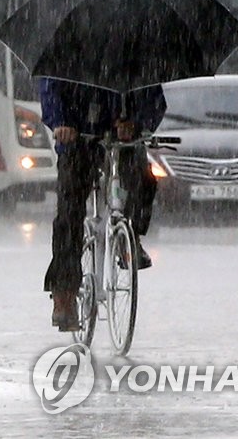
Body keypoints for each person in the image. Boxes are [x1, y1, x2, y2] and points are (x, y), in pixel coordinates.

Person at [40, 78, 167, 330]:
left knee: (143, 179)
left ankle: (130, 237)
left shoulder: (135, 53)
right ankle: (64, 294)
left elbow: (153, 98)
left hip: (122, 140)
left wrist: (137, 123)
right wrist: (62, 123)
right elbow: (50, 90)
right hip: (78, 139)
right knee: (69, 212)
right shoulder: (66, 52)